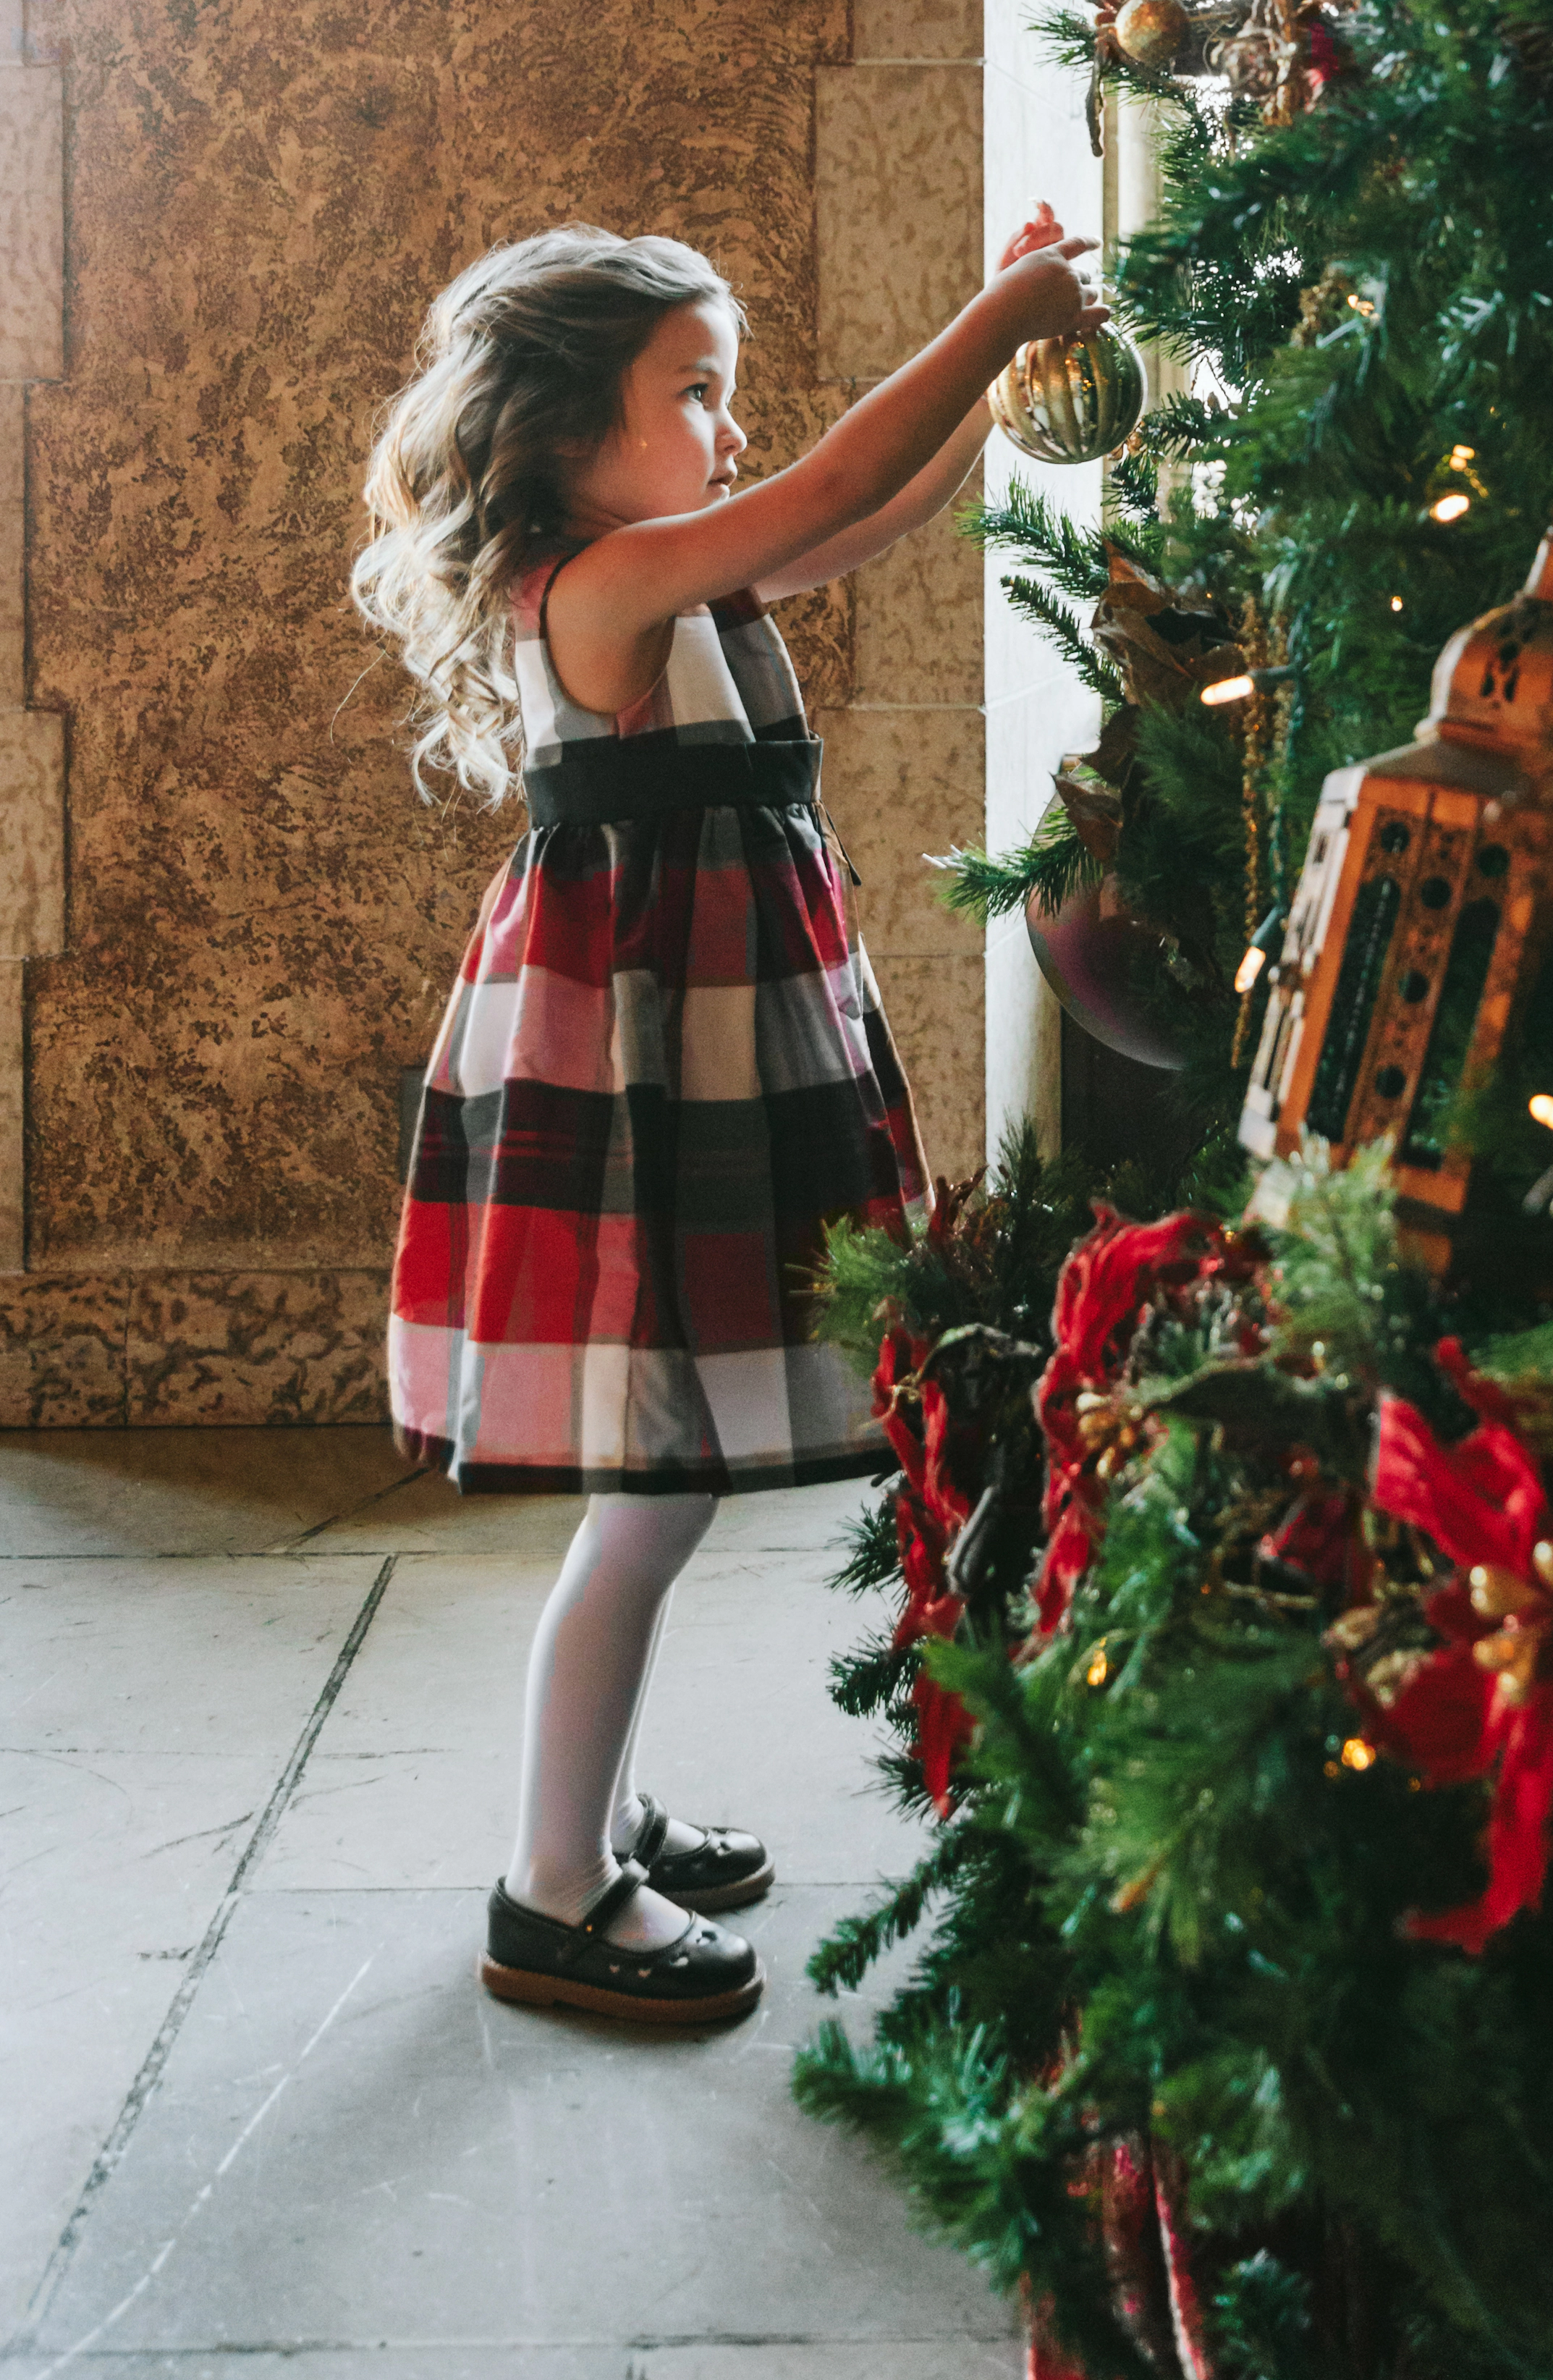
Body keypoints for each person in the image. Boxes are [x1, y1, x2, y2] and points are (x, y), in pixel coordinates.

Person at [356, 209, 1101, 2028]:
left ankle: (593, 1812)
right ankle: (552, 1887)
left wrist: (1003, 399)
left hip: (703, 1048)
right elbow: (833, 474)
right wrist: (994, 306)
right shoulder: (599, 590)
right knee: (651, 1490)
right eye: (696, 393)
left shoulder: (670, 574)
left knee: (656, 1476)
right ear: (561, 439)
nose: (734, 428)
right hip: (642, 1074)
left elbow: (862, 507)